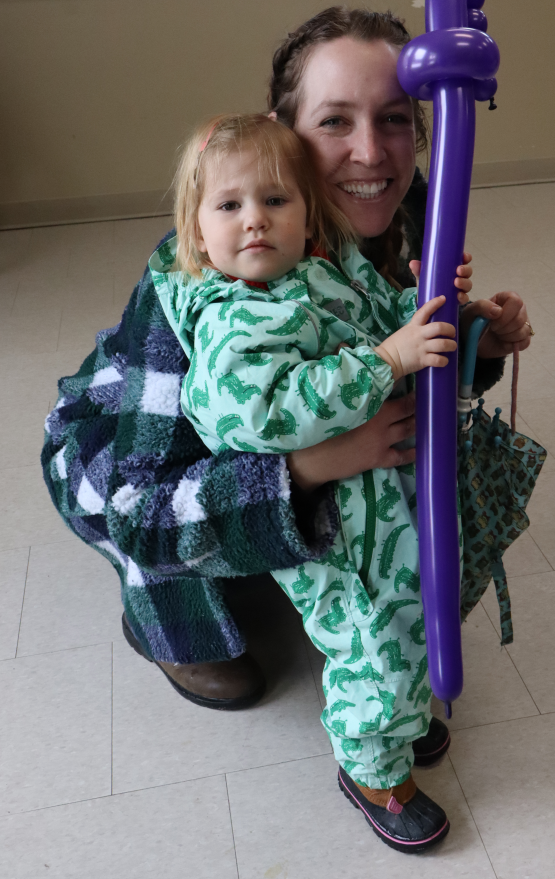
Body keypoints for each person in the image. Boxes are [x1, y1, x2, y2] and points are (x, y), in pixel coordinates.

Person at [42, 8, 531, 723]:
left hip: (301, 417)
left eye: (395, 119)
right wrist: (313, 466)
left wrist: (474, 342)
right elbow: (141, 511)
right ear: (284, 132)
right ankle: (172, 623)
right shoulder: (197, 280)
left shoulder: (410, 204)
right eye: (335, 122)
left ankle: (281, 524)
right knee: (225, 635)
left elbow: (400, 345)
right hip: (133, 466)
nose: (371, 154)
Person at [150, 111, 463, 851]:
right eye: (229, 206)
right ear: (197, 233)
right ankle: (372, 772)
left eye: (275, 201)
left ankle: (401, 722)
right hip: (332, 537)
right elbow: (258, 416)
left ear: (307, 212)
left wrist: (426, 302)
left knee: (409, 622)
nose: (254, 221)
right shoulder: (231, 318)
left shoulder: (323, 267)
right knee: (370, 644)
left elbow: (383, 317)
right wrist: (384, 363)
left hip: (385, 511)